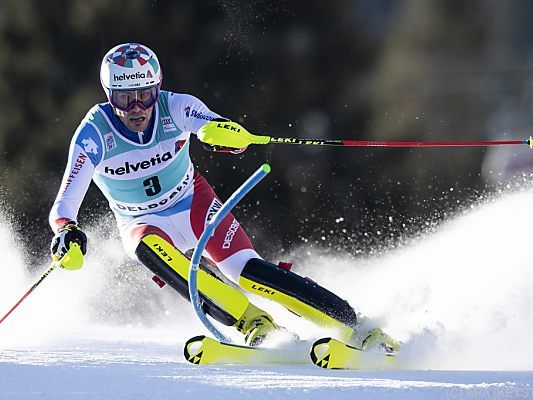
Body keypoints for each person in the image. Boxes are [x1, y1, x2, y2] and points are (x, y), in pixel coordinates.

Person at [49, 43, 398, 352]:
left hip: (192, 203)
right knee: (165, 260)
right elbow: (65, 203)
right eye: (124, 98)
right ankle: (254, 324)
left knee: (249, 274)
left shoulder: (176, 107)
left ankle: (356, 327)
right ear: (109, 95)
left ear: (158, 87)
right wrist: (66, 231)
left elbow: (212, 124)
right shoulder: (94, 133)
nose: (137, 107)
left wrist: (225, 134)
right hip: (141, 222)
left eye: (145, 94)